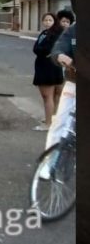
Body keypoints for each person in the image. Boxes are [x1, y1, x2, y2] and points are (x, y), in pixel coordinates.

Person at [45, 22, 77, 150]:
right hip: (74, 83)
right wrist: (59, 55)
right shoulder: (74, 29)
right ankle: (49, 164)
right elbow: (58, 48)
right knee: (59, 123)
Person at [31, 13, 64, 131]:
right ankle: (51, 119)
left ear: (54, 21)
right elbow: (36, 48)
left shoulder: (55, 34)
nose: (47, 22)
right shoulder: (44, 33)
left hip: (49, 68)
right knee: (52, 96)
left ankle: (48, 124)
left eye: (50, 20)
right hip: (45, 66)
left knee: (47, 96)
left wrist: (41, 51)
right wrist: (40, 51)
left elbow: (45, 49)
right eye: (45, 20)